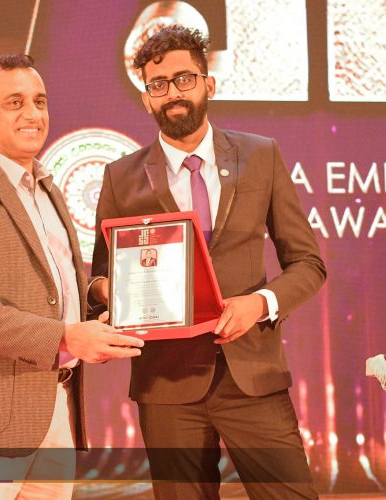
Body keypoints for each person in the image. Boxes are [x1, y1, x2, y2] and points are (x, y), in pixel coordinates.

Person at [91, 26, 326, 499]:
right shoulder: (121, 177)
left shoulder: (261, 155)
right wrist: (115, 294)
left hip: (253, 375)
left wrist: (259, 304)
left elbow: (308, 263)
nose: (173, 93)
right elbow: (99, 277)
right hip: (166, 384)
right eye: (158, 84)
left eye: (184, 79)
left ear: (208, 84)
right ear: (146, 98)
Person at [0, 53, 144, 500]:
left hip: (58, 409)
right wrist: (65, 336)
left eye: (39, 101)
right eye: (14, 102)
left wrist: (99, 294)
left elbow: (51, 291)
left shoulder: (48, 190)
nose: (33, 114)